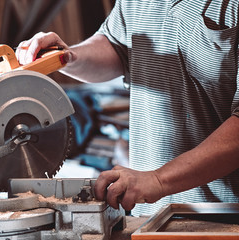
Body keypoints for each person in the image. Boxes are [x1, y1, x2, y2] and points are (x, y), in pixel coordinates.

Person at [16, 0, 239, 216]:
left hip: (222, 214)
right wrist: (67, 57)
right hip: (150, 213)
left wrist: (158, 180)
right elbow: (116, 48)